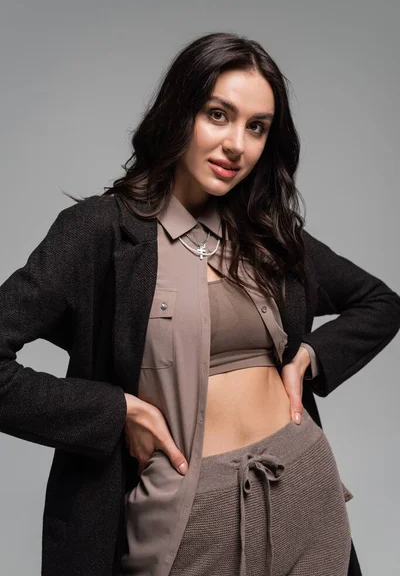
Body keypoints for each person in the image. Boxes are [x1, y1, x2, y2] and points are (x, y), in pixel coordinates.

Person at [0, 32, 399, 576]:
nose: (237, 144)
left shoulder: (263, 231)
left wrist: (310, 357)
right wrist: (117, 411)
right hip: (188, 515)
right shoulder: (103, 231)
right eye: (218, 114)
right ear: (179, 112)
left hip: (303, 485)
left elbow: (380, 302)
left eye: (256, 127)